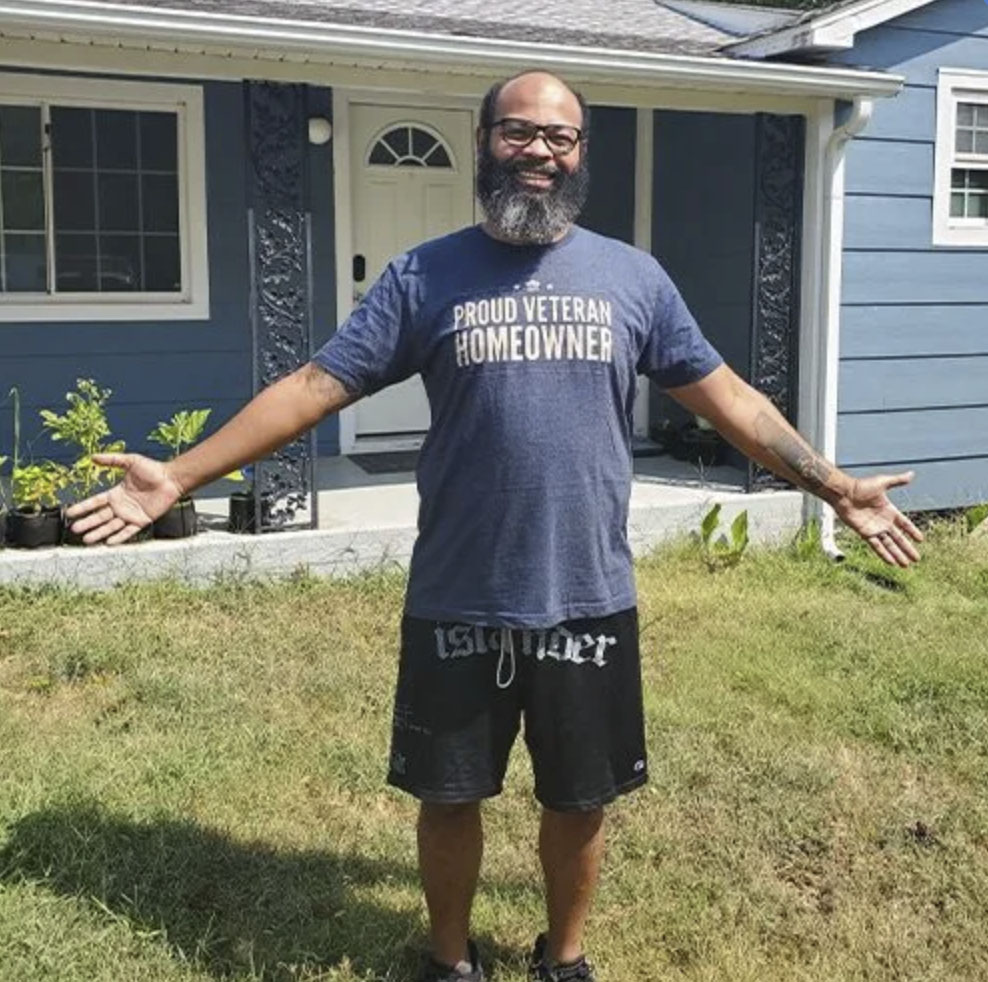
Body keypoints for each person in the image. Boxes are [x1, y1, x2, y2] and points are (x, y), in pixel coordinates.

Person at [67, 70, 923, 982]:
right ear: (484, 142)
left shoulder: (632, 277)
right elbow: (318, 386)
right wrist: (182, 474)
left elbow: (731, 400)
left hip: (587, 592)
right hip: (458, 590)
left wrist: (833, 487)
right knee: (448, 794)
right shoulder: (425, 274)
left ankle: (563, 958)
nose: (540, 152)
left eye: (560, 138)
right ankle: (448, 960)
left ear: (581, 153)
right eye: (519, 133)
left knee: (582, 798)